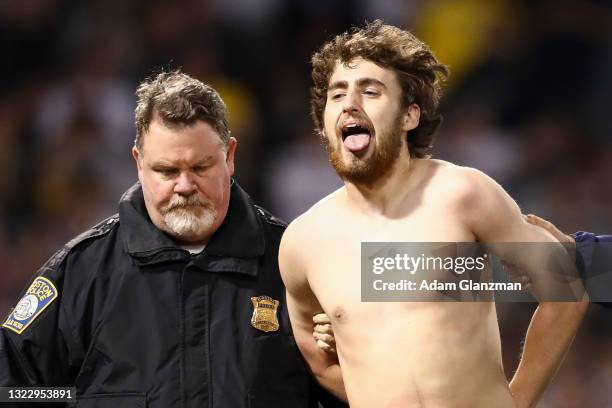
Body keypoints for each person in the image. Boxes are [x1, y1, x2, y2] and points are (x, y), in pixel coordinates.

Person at [279, 20, 588, 408]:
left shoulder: (463, 193)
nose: (350, 104)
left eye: (370, 91)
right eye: (336, 95)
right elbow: (320, 362)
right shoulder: (302, 241)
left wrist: (519, 399)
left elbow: (567, 290)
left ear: (410, 116)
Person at [0, 70, 342, 408]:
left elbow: (354, 390)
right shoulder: (81, 272)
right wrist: (80, 399)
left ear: (230, 157)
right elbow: (14, 391)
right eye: (167, 171)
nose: (184, 185)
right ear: (139, 163)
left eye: (200, 168)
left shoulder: (292, 261)